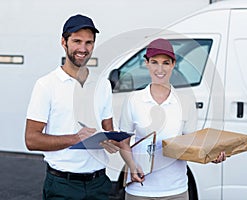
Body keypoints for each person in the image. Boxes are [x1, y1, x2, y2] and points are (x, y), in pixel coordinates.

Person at [25, 14, 119, 200]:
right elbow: (32, 140)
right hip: (63, 186)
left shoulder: (102, 84)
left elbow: (109, 130)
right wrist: (75, 138)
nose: (83, 49)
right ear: (63, 42)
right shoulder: (46, 85)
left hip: (99, 184)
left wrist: (113, 142)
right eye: (77, 41)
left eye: (89, 43)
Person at [118, 38, 226, 200]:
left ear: (173, 64)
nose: (160, 69)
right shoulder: (133, 100)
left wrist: (211, 155)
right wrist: (132, 166)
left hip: (175, 190)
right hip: (140, 190)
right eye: (154, 62)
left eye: (166, 63)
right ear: (146, 63)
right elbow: (123, 142)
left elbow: (192, 145)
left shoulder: (186, 102)